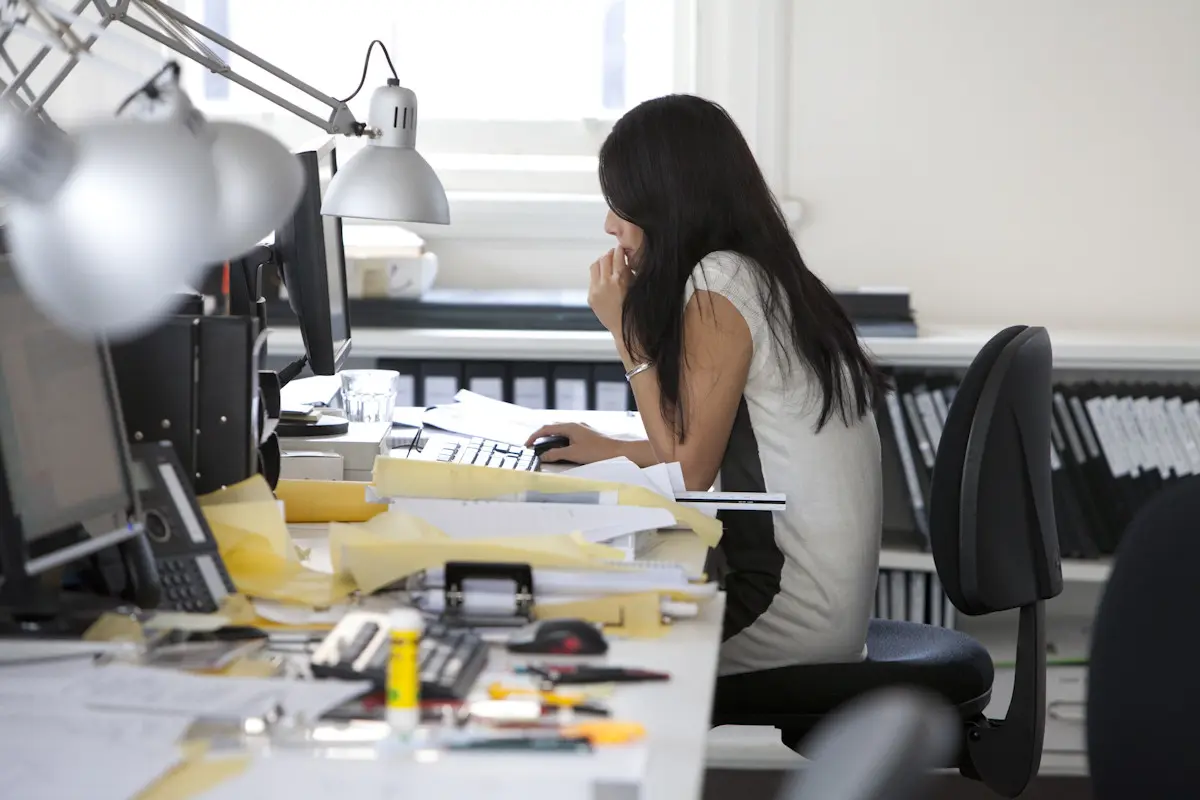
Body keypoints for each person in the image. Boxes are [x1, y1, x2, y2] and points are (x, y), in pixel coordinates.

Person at [526, 94, 889, 676]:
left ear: (665, 204)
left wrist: (625, 331)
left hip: (786, 615)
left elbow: (690, 472)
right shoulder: (759, 270)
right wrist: (614, 450)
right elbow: (727, 450)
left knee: (576, 650)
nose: (610, 224)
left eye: (621, 204)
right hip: (825, 608)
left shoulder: (718, 285)